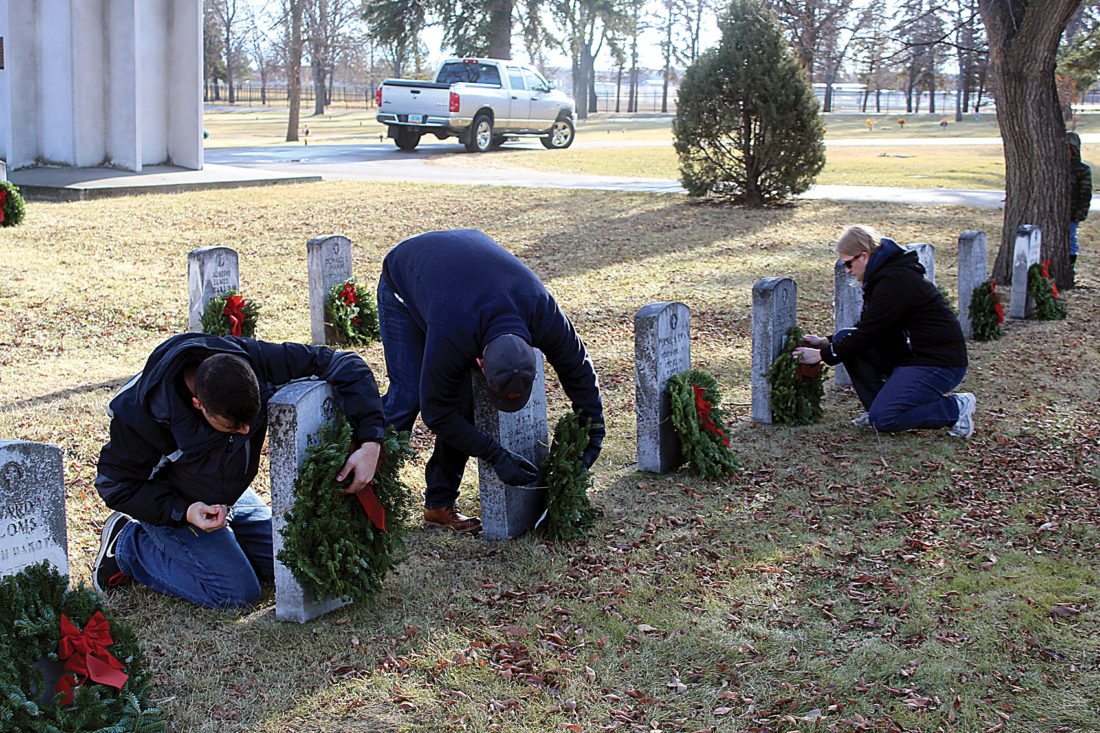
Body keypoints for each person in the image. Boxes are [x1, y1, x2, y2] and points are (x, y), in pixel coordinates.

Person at [92, 333, 386, 609]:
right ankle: (128, 544)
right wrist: (184, 511)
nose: (246, 431)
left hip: (229, 493)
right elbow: (116, 485)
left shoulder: (252, 358)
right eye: (233, 426)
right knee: (237, 593)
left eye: (250, 419)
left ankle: (228, 547)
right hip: (177, 502)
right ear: (198, 405)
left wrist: (370, 441)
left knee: (294, 560)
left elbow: (344, 363)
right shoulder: (142, 415)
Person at [377, 229, 604, 534]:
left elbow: (578, 369)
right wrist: (495, 454)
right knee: (408, 396)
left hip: (462, 282)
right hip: (405, 279)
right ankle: (369, 492)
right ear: (481, 363)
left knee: (464, 400)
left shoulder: (544, 313)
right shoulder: (453, 330)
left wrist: (594, 432)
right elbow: (436, 412)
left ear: (533, 351)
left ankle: (439, 504)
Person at [793, 225, 975, 437]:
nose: (848, 270)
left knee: (884, 419)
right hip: (911, 355)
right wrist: (827, 341)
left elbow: (870, 332)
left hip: (939, 363)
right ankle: (877, 409)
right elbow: (873, 326)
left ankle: (956, 408)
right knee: (844, 339)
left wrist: (822, 355)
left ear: (864, 256)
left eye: (848, 263)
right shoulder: (883, 275)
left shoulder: (895, 280)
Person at [1068, 131, 1091, 275]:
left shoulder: (1082, 170)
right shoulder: (1056, 168)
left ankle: (1070, 267)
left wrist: (1080, 213)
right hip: (1055, 213)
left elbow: (1085, 194)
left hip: (1072, 213)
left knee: (1071, 239)